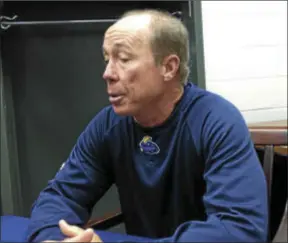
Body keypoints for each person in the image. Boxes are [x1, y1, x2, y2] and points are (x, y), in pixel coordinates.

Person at [25, 9, 268, 242]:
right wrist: (51, 238)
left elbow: (238, 230)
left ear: (168, 67)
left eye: (124, 59)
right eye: (107, 59)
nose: (107, 73)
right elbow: (61, 196)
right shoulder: (108, 124)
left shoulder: (217, 121)